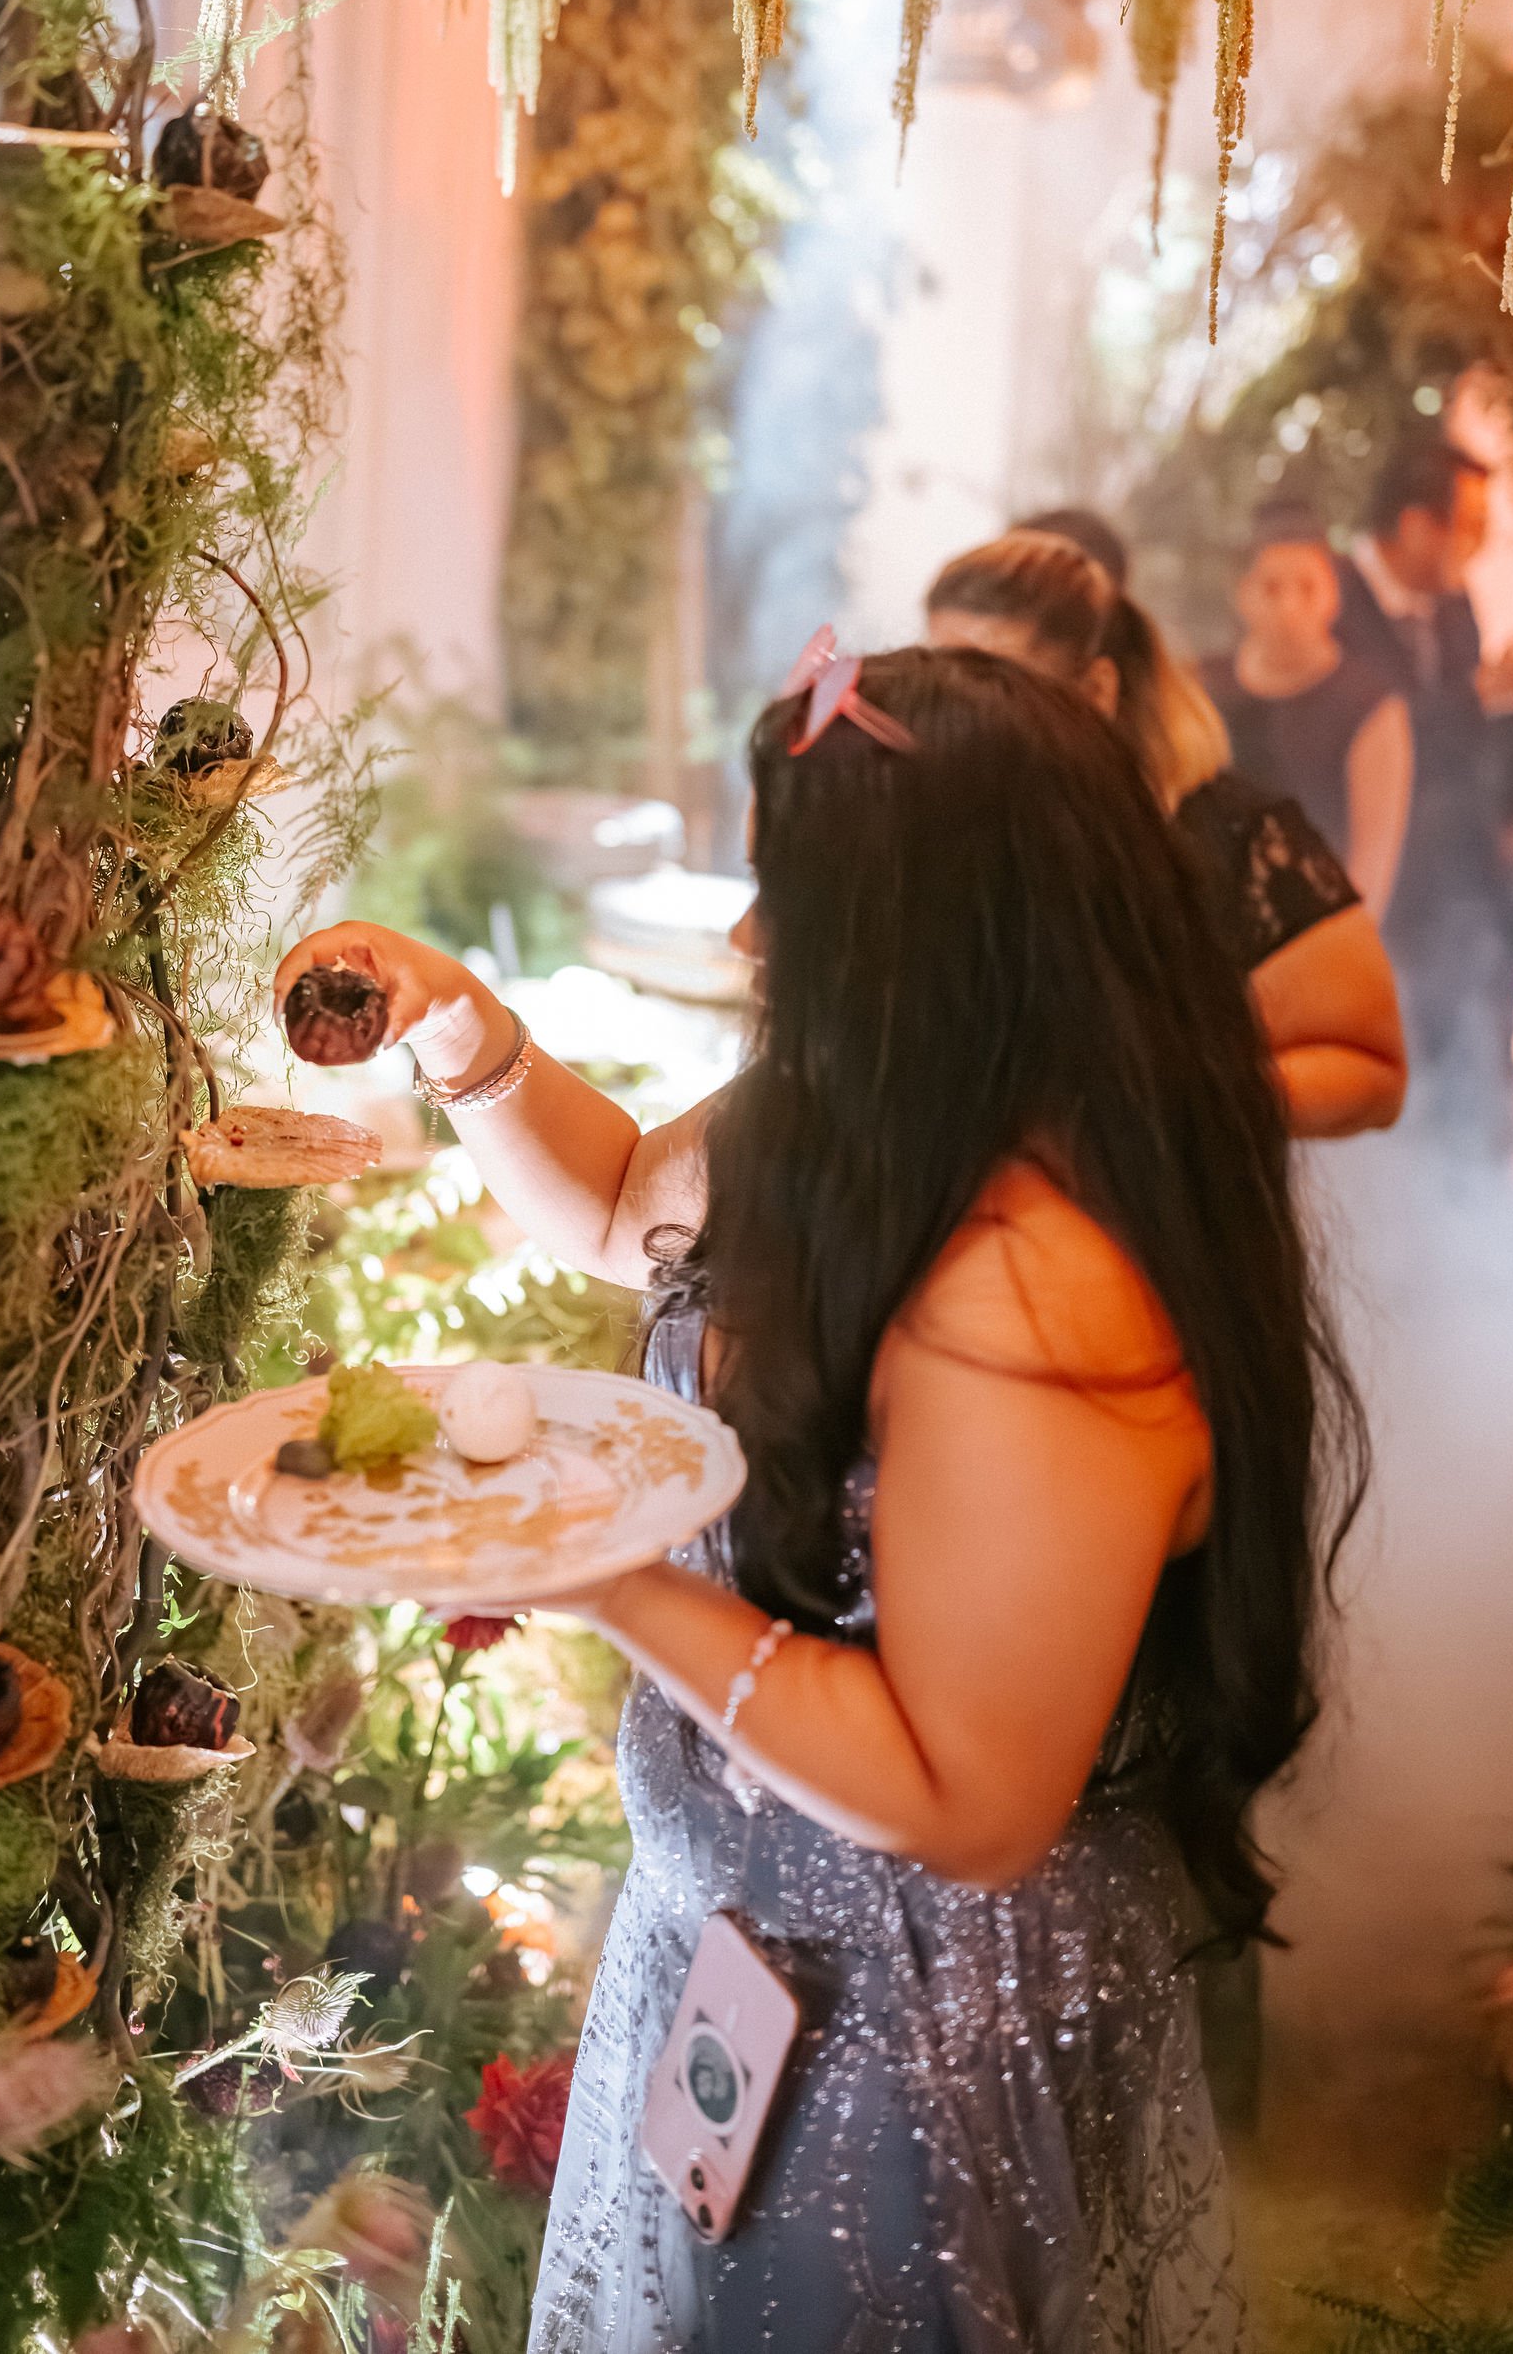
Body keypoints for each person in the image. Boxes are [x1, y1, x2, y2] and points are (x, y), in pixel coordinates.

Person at [275, 649, 1366, 2352]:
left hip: (911, 2027)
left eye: (778, 892)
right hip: (752, 1955)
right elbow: (631, 1202)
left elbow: (968, 1798)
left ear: (912, 939)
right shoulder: (862, 1114)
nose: (738, 940)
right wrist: (462, 1033)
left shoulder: (1037, 1279)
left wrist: (596, 1572)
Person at [925, 529, 1407, 1139]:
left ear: (1096, 691)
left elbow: (1369, 1072)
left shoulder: (1229, 837)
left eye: (995, 688)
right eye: (937, 684)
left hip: (1160, 1222)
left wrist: (1154, 1105)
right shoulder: (930, 833)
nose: (955, 720)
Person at [1336, 432, 1513, 1109]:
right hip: (1381, 898)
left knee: (1474, 1092)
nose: (1479, 547)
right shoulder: (1335, 598)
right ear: (1414, 524)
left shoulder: (1455, 606)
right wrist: (1481, 695)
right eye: (1472, 527)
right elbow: (1361, 734)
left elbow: (1474, 733)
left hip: (1470, 900)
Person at [1201, 498, 1412, 915]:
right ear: (1243, 595)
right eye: (1272, 588)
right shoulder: (1205, 689)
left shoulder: (1369, 707)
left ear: (1334, 595)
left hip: (1318, 934)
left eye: (1307, 587)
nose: (1289, 606)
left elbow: (1371, 865)